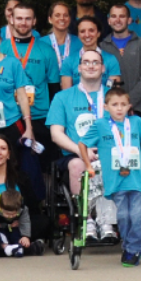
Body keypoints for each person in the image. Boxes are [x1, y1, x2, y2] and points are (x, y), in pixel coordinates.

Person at [79, 87, 141, 267]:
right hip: (115, 180)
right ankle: (128, 246)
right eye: (114, 105)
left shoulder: (136, 122)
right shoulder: (100, 125)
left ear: (129, 106)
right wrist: (88, 165)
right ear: (106, 107)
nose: (119, 108)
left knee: (137, 215)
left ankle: (133, 249)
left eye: (123, 104)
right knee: (123, 216)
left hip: (135, 179)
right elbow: (82, 143)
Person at [47, 50, 118, 243]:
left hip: (109, 152)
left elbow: (125, 128)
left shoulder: (114, 97)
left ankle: (107, 222)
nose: (91, 66)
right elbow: (56, 134)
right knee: (78, 165)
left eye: (95, 62)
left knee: (110, 164)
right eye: (86, 62)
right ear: (78, 68)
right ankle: (87, 220)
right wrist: (81, 150)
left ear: (103, 68)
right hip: (75, 153)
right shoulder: (62, 97)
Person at [0, 2, 58, 161]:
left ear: (34, 21)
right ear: (11, 19)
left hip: (40, 116)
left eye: (27, 19)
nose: (23, 22)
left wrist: (54, 119)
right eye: (19, 18)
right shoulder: (2, 48)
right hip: (9, 117)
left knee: (40, 166)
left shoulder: (46, 50)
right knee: (10, 164)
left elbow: (54, 88)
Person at [98, 4, 141, 131]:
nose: (117, 20)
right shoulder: (102, 47)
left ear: (129, 20)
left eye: (122, 16)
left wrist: (127, 103)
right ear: (109, 20)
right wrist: (117, 104)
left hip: (138, 108)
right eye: (114, 16)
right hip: (109, 110)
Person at [0, 134, 48, 244]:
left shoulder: (21, 178)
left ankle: (10, 245)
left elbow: (33, 208)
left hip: (18, 225)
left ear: (8, 154)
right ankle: (19, 247)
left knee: (43, 221)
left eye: (3, 149)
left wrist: (19, 222)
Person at [0, 25, 35, 151]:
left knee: (14, 161)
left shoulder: (12, 63)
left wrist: (29, 128)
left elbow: (22, 97)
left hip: (11, 122)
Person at [61, 16, 122, 89]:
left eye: (91, 30)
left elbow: (113, 91)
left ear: (98, 33)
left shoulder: (111, 60)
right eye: (82, 31)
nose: (87, 35)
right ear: (78, 35)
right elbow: (67, 93)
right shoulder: (69, 61)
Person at [0, 189, 43, 257]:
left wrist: (25, 236)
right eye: (7, 214)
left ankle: (19, 247)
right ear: (0, 207)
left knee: (18, 234)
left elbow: (25, 222)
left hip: (14, 229)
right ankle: (6, 247)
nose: (10, 216)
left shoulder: (23, 209)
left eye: (13, 214)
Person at [45, 2, 83, 72]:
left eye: (65, 15)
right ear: (50, 19)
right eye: (57, 15)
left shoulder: (79, 42)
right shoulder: (41, 43)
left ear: (70, 19)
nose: (62, 18)